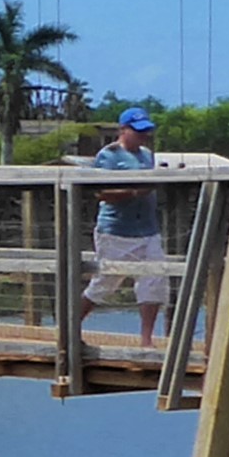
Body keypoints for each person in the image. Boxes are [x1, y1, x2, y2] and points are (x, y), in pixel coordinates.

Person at [83, 107, 173, 345]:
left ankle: (146, 339)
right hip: (116, 230)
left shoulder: (147, 154)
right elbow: (99, 193)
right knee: (106, 282)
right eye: (137, 131)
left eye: (146, 131)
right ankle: (70, 326)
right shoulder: (109, 155)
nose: (143, 136)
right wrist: (133, 191)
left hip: (148, 229)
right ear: (123, 130)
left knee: (154, 280)